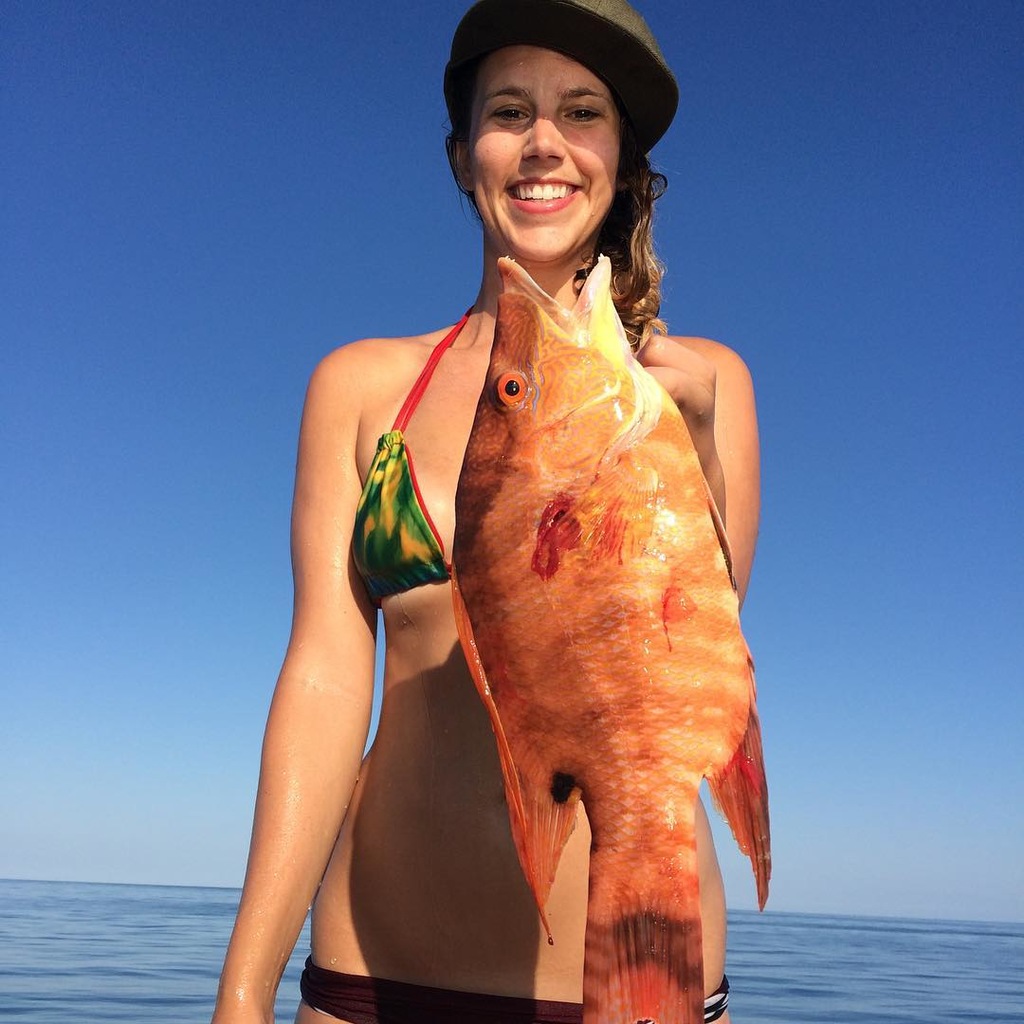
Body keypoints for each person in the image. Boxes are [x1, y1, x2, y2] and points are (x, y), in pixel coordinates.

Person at [211, 2, 760, 1022]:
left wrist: (701, 466)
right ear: (464, 155)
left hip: (632, 992)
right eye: (509, 111)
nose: (544, 141)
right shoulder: (363, 387)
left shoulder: (700, 386)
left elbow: (690, 674)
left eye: (581, 111)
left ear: (619, 158)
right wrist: (243, 987)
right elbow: (326, 676)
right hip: (369, 977)